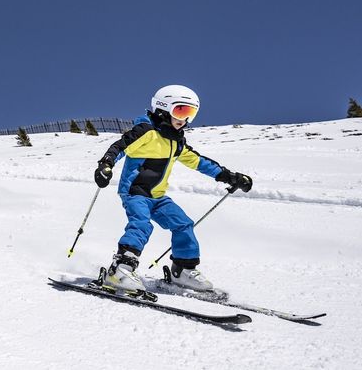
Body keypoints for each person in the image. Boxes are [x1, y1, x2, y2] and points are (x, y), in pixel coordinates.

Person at [93, 84, 253, 294]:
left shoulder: (176, 142)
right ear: (162, 108)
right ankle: (120, 269)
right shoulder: (146, 132)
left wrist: (229, 177)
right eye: (181, 111)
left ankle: (183, 270)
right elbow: (119, 147)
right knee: (141, 224)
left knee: (183, 224)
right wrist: (106, 164)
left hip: (158, 197)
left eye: (191, 114)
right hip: (135, 193)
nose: (185, 119)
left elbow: (198, 162)